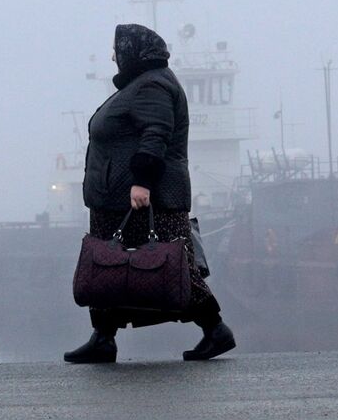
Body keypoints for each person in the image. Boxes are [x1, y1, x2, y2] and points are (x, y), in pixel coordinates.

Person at [64, 23, 235, 364]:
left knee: (173, 266)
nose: (114, 56)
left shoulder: (153, 85)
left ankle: (215, 330)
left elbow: (156, 133)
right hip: (116, 197)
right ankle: (103, 337)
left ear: (133, 51)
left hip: (144, 196)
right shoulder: (141, 84)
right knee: (107, 264)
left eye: (118, 49)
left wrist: (141, 182)